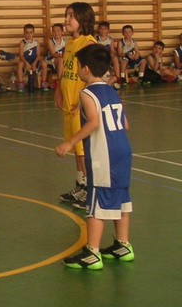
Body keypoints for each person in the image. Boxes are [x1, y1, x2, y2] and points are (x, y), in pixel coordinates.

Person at [55, 44, 134, 269]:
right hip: (123, 151)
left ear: (86, 69)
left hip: (104, 154)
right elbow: (125, 124)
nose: (77, 69)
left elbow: (94, 122)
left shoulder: (86, 92)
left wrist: (70, 142)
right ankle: (123, 245)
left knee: (95, 204)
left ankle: (92, 253)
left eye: (78, 65)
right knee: (121, 199)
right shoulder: (111, 90)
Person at [55, 2, 97, 209]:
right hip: (68, 103)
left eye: (71, 16)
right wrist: (58, 89)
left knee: (83, 151)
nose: (66, 19)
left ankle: (90, 190)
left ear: (83, 18)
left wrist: (83, 102)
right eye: (66, 15)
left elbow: (93, 76)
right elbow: (65, 70)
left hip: (79, 106)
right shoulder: (70, 42)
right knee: (76, 150)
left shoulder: (88, 43)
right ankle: (80, 184)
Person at [15, 23, 41, 91]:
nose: (29, 34)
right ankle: (20, 83)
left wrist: (35, 63)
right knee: (20, 64)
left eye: (31, 32)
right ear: (24, 33)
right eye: (27, 32)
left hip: (34, 62)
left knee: (44, 63)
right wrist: (26, 63)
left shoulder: (36, 43)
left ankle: (43, 82)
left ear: (34, 33)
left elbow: (38, 55)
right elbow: (21, 55)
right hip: (25, 62)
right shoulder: (22, 43)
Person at [95, 21, 120, 87]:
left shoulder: (110, 39)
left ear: (108, 30)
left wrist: (111, 54)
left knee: (115, 58)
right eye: (101, 28)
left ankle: (118, 77)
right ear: (98, 30)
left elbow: (112, 51)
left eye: (105, 29)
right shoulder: (96, 39)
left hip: (108, 56)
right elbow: (94, 50)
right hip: (99, 57)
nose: (103, 30)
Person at [41, 22, 66, 90]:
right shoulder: (50, 41)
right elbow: (53, 54)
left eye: (58, 31)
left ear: (62, 32)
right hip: (50, 60)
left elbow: (67, 52)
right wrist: (62, 55)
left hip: (59, 60)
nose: (56, 33)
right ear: (52, 33)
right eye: (54, 31)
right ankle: (60, 81)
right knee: (61, 60)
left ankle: (62, 81)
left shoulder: (65, 41)